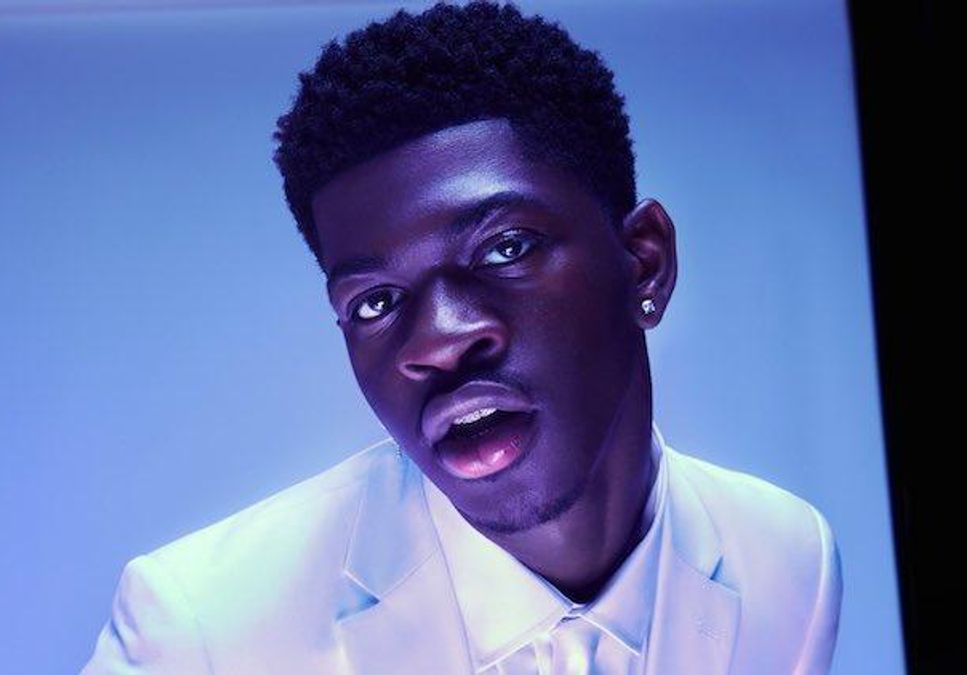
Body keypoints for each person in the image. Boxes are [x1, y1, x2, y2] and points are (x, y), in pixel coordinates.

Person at [81, 3, 841, 674]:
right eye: (376, 301)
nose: (439, 341)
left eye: (505, 248)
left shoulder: (787, 563)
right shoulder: (203, 631)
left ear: (645, 261)